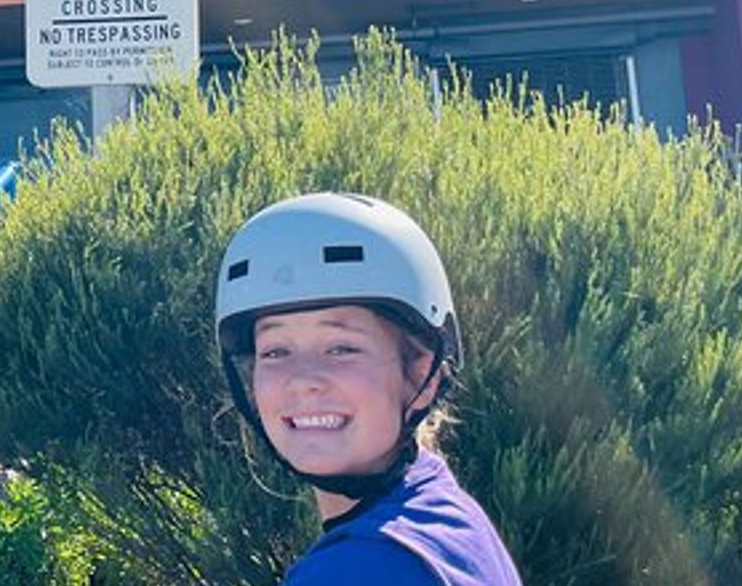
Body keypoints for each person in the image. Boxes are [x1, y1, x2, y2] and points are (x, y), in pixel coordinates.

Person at [214, 193, 521, 585]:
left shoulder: (355, 569)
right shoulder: (442, 516)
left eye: (341, 348)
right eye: (275, 351)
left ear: (421, 375)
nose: (303, 380)